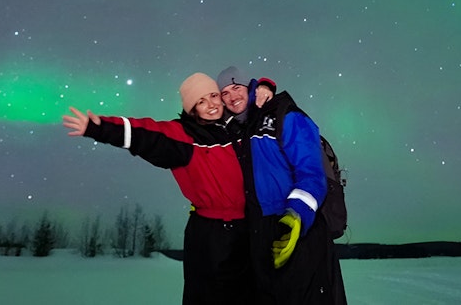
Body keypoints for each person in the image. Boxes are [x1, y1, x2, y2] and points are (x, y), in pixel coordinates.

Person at [63, 72, 253, 305]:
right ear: (192, 109)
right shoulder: (184, 135)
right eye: (201, 101)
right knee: (210, 296)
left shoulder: (238, 130)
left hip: (248, 228)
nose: (211, 104)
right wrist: (98, 129)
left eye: (214, 96)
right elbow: (145, 133)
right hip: (213, 236)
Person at [217, 66, 347, 305]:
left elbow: (310, 171)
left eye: (236, 87)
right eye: (224, 92)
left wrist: (297, 216)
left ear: (251, 88)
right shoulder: (236, 133)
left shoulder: (285, 115)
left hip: (299, 231)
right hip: (259, 237)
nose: (231, 96)